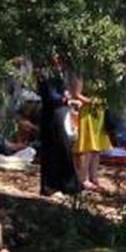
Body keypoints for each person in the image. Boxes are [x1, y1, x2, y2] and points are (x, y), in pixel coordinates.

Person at [36, 68, 82, 196]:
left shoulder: (61, 75)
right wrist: (65, 99)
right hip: (52, 116)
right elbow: (49, 96)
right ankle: (51, 186)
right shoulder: (45, 74)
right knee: (52, 150)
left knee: (65, 149)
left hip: (62, 113)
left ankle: (67, 185)